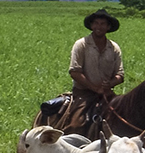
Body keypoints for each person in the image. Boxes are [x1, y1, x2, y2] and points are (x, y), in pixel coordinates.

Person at [52, 9, 124, 139]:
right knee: (76, 124)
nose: (99, 27)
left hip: (107, 95)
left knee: (123, 120)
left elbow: (120, 74)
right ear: (91, 25)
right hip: (83, 94)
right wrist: (95, 88)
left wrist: (110, 83)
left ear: (108, 27)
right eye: (96, 23)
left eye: (102, 24)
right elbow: (74, 72)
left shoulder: (113, 48)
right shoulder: (82, 45)